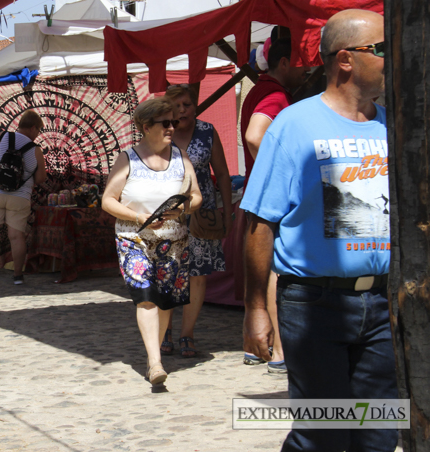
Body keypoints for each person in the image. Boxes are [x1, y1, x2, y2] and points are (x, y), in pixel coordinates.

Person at [242, 9, 396, 451]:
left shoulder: (391, 124)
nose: (392, 57)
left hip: (382, 305)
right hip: (315, 304)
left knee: (380, 434)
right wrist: (256, 307)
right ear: (345, 59)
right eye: (381, 49)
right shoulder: (294, 125)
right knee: (323, 433)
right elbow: (259, 221)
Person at [102, 98, 202, 385]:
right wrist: (137, 216)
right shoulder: (128, 158)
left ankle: (153, 355)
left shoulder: (180, 157)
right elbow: (108, 199)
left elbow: (196, 195)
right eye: (166, 123)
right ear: (146, 127)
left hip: (172, 239)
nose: (173, 127)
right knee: (146, 298)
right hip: (134, 238)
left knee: (166, 302)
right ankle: (155, 362)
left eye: (175, 122)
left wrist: (181, 209)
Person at [239, 37, 310, 373]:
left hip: (260, 192)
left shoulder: (261, 89)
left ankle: (259, 346)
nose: (308, 68)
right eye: (302, 61)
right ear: (284, 63)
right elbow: (255, 135)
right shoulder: (275, 94)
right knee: (275, 270)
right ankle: (279, 349)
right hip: (271, 196)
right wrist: (280, 173)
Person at [162, 86, 233, 358]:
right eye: (177, 105)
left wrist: (227, 210)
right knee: (167, 271)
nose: (183, 110)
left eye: (187, 104)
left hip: (201, 213)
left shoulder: (207, 132)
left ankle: (187, 332)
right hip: (168, 213)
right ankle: (165, 328)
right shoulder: (161, 133)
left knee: (198, 274)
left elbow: (224, 175)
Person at [0, 110, 47, 287]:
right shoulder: (36, 150)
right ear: (32, 128)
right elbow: (40, 179)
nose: (38, 134)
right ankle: (17, 276)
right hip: (19, 197)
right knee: (16, 237)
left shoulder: (2, 137)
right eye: (38, 130)